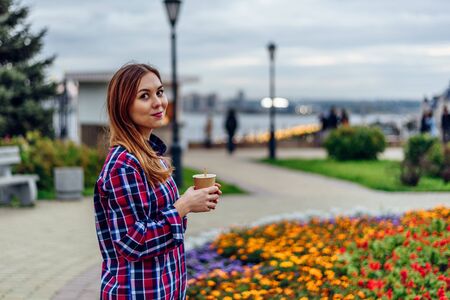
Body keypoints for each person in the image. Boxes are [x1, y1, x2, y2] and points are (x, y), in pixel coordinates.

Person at [94, 63, 222, 299]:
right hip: (136, 292)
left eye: (160, 92)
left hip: (165, 287)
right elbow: (134, 242)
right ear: (123, 106)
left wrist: (190, 201)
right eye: (145, 96)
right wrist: (183, 206)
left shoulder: (153, 158)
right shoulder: (123, 165)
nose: (158, 102)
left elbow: (163, 223)